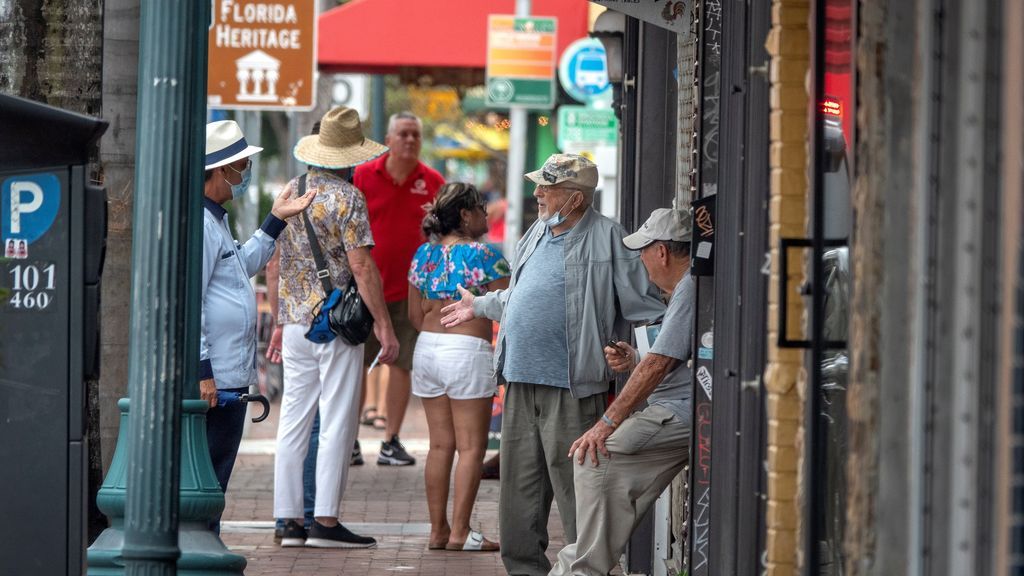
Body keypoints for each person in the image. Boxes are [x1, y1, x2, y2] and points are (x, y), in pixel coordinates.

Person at [440, 154, 665, 575]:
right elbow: (521, 296)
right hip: (521, 379)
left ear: (576, 199)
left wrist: (633, 355)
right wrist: (481, 305)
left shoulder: (609, 238)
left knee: (579, 492)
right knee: (519, 495)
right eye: (539, 185)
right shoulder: (537, 232)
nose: (538, 193)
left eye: (548, 187)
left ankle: (588, 570)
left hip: (574, 386)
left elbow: (649, 309)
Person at [268, 106, 398, 548]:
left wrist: (279, 319)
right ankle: (324, 520)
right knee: (338, 420)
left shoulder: (289, 189)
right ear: (348, 157)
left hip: (295, 321)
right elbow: (361, 265)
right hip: (338, 324)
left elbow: (274, 262)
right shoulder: (349, 198)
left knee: (293, 420)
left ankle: (287, 520)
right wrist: (384, 324)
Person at [548, 208, 693, 576]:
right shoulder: (684, 289)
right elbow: (666, 356)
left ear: (661, 251)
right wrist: (635, 357)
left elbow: (659, 364)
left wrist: (606, 422)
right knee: (601, 466)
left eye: (643, 251)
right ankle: (580, 565)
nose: (640, 259)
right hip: (678, 406)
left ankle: (583, 569)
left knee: (594, 456)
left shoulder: (690, 286)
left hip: (683, 410)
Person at [200, 120, 316, 532]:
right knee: (208, 478)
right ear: (218, 170)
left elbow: (241, 265)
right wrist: (203, 372)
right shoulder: (201, 224)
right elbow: (192, 302)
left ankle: (206, 543)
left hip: (227, 374)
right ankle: (202, 546)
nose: (245, 173)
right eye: (241, 166)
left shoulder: (217, 220)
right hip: (215, 377)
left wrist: (274, 221)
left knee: (216, 477)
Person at [407, 183, 510, 552]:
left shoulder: (423, 255)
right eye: (481, 208)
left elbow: (414, 316)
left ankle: (438, 531)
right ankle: (461, 533)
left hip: (428, 349)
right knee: (471, 448)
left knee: (439, 446)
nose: (487, 214)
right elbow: (511, 305)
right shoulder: (486, 255)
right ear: (466, 215)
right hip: (467, 349)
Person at [354, 111, 445, 466]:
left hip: (412, 292)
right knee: (357, 366)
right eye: (403, 134)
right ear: (389, 140)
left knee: (402, 365)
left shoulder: (433, 181)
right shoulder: (363, 176)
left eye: (415, 135)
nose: (409, 140)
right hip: (364, 291)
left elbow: (442, 234)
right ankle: (351, 440)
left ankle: (391, 440)